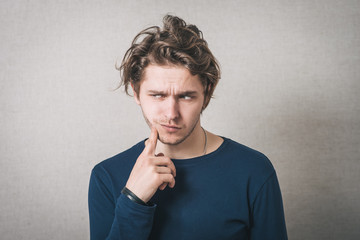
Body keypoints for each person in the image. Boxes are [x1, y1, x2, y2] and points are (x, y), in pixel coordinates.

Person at [88, 15, 287, 240]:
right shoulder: (106, 176)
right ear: (136, 92)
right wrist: (133, 199)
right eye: (157, 95)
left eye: (186, 96)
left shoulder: (254, 170)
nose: (171, 114)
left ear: (206, 93)